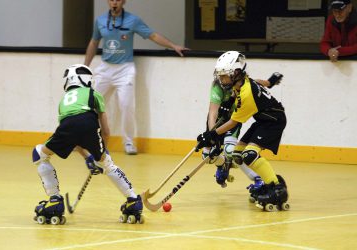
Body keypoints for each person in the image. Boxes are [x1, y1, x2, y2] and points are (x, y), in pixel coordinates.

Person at [32, 64, 144, 224]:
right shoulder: (94, 94)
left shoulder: (63, 101)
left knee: (39, 155)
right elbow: (105, 131)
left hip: (67, 126)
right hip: (89, 122)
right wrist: (100, 154)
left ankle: (54, 199)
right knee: (108, 165)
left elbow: (72, 136)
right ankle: (133, 200)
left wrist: (87, 158)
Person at [84, 0, 189, 155]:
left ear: (123, 1)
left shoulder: (133, 20)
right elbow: (94, 43)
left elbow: (152, 35)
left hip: (125, 70)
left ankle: (128, 142)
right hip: (105, 69)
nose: (114, 3)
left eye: (118, 0)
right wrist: (85, 67)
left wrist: (173, 46)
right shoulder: (99, 20)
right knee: (91, 104)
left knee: (127, 106)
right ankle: (90, 139)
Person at [196, 51, 290, 211]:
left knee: (250, 154)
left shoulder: (247, 95)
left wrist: (211, 134)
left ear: (236, 73)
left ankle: (275, 188)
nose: (221, 79)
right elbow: (257, 82)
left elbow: (233, 122)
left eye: (224, 76)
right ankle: (268, 182)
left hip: (274, 122)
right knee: (237, 154)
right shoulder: (241, 83)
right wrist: (231, 99)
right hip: (263, 121)